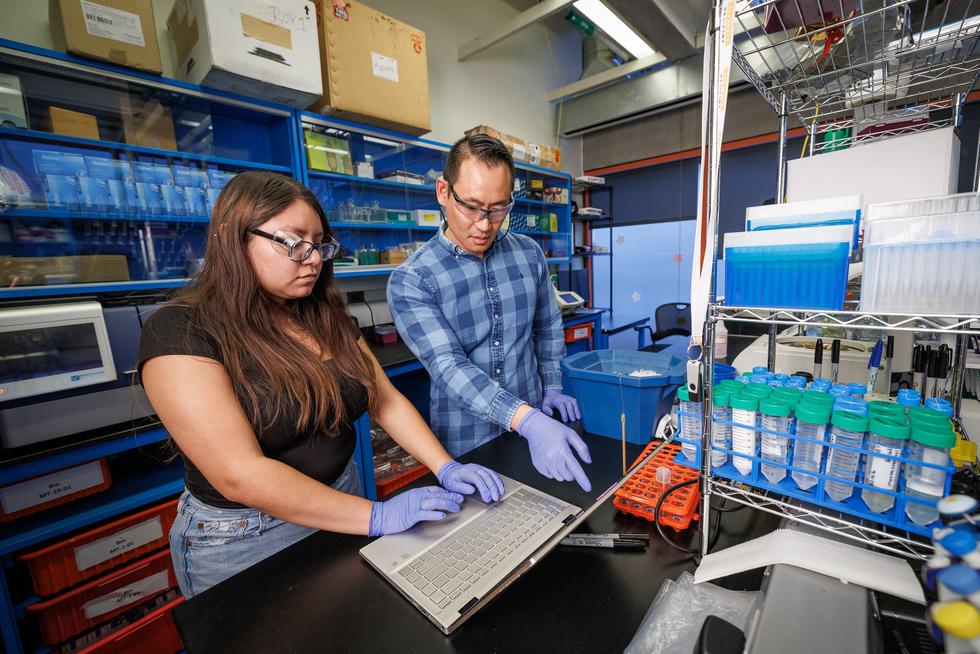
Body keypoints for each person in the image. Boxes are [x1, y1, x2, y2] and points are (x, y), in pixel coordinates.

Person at [139, 171, 504, 598]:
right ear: (231, 237)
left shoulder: (322, 316)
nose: (312, 258)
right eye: (294, 242)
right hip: (244, 537)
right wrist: (377, 516)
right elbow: (239, 474)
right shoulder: (180, 330)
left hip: (341, 502)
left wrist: (445, 466)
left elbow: (384, 400)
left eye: (319, 244)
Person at [387, 134, 591, 492]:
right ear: (442, 192)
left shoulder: (529, 254)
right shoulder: (412, 280)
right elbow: (449, 367)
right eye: (471, 206)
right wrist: (527, 420)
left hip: (533, 428)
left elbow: (547, 325)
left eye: (498, 208)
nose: (484, 224)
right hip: (466, 441)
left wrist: (553, 386)